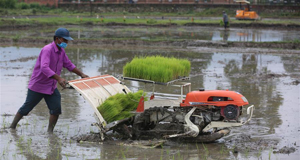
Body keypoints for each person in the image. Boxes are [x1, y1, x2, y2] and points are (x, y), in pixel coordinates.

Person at [9, 28, 89, 133]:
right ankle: (12, 127)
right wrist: (59, 78)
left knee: (55, 110)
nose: (66, 42)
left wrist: (81, 74)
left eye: (67, 40)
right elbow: (44, 68)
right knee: (26, 108)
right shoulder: (47, 49)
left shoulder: (61, 51)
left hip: (51, 86)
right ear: (57, 39)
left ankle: (50, 132)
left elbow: (68, 64)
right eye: (64, 40)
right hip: (38, 85)